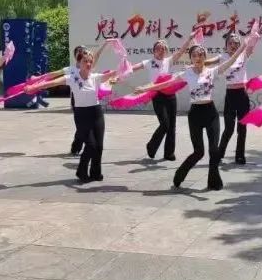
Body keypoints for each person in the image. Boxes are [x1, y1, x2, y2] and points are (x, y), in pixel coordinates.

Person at [134, 39, 248, 190]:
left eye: (200, 55)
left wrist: (243, 46)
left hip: (211, 113)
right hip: (195, 115)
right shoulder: (186, 73)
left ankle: (214, 181)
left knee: (214, 150)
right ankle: (180, 173)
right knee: (199, 152)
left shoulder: (212, 71)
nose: (198, 58)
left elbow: (231, 60)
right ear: (191, 58)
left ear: (205, 57)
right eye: (194, 55)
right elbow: (166, 84)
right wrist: (146, 88)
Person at [25, 49, 117, 182]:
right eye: (85, 61)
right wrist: (34, 87)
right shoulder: (72, 77)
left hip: (96, 112)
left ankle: (95, 173)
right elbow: (52, 83)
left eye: (90, 61)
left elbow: (115, 73)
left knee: (99, 146)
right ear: (79, 63)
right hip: (81, 114)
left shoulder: (95, 77)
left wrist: (123, 67)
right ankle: (81, 171)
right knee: (91, 145)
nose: (88, 64)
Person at [130, 32, 198, 161]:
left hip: (171, 95)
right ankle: (151, 146)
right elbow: (133, 68)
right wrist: (119, 73)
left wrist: (189, 38)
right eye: (158, 49)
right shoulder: (149, 62)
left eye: (163, 49)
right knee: (165, 124)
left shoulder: (168, 61)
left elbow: (181, 51)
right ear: (154, 51)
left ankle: (169, 153)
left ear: (166, 51)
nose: (161, 51)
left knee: (172, 125)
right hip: (157, 95)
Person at [38, 42, 112, 156]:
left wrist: (104, 45)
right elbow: (54, 74)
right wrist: (38, 80)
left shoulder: (89, 65)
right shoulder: (70, 69)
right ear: (76, 55)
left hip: (91, 101)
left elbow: (96, 55)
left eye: (84, 51)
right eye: (79, 52)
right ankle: (76, 147)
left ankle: (90, 145)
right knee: (81, 127)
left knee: (91, 126)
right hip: (77, 101)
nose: (82, 53)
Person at [204, 33, 255, 164]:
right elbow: (208, 62)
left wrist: (255, 35)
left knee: (242, 127)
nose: (233, 45)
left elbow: (252, 45)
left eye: (236, 43)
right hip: (230, 95)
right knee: (229, 128)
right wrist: (196, 63)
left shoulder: (243, 55)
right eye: (230, 43)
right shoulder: (222, 57)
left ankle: (240, 155)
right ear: (226, 46)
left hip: (242, 95)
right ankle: (220, 153)